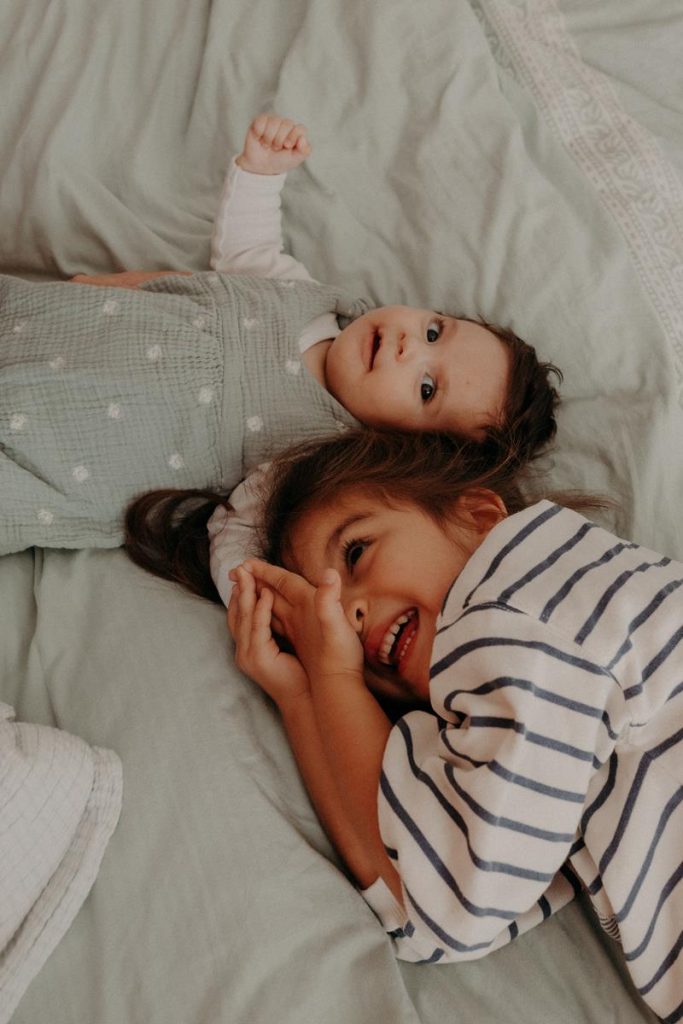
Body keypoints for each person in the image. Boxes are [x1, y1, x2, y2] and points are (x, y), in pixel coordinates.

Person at [224, 428, 683, 1024]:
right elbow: (416, 907)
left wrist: (333, 677)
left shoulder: (526, 596)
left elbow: (458, 897)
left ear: (479, 514)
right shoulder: (522, 712)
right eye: (325, 619)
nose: (347, 616)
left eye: (356, 552)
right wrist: (303, 694)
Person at [0, 115, 560, 556]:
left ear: (402, 443)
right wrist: (261, 172)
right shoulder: (310, 298)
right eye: (435, 331)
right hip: (74, 328)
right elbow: (248, 253)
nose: (409, 347)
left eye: (427, 389)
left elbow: (244, 530)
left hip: (81, 447)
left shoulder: (320, 455)